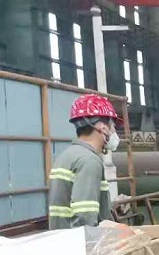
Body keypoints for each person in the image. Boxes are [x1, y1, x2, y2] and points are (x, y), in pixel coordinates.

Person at [48, 94, 122, 230]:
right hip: (79, 242)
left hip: (61, 238)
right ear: (102, 127)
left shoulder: (66, 156)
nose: (114, 132)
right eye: (112, 126)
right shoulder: (89, 161)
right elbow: (84, 219)